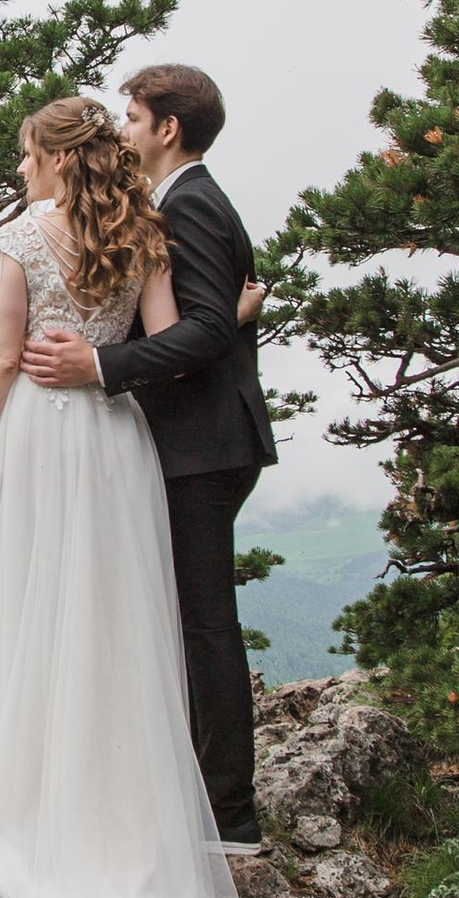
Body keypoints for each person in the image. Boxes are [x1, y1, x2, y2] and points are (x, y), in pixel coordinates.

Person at [0, 94, 278, 898]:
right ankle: (126, 812)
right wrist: (222, 316)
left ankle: (30, 800)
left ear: (53, 159)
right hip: (117, 443)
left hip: (40, 435)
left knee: (32, 611)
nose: (21, 169)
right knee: (118, 622)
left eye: (27, 153)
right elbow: (160, 344)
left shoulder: (23, 238)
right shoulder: (143, 231)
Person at [19, 61, 275, 843]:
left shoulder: (191, 203)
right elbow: (209, 315)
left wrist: (97, 366)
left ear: (168, 128)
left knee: (201, 624)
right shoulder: (182, 204)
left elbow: (195, 332)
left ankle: (229, 816)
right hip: (202, 438)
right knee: (182, 618)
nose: (123, 132)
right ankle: (190, 793)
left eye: (132, 118)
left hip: (201, 442)